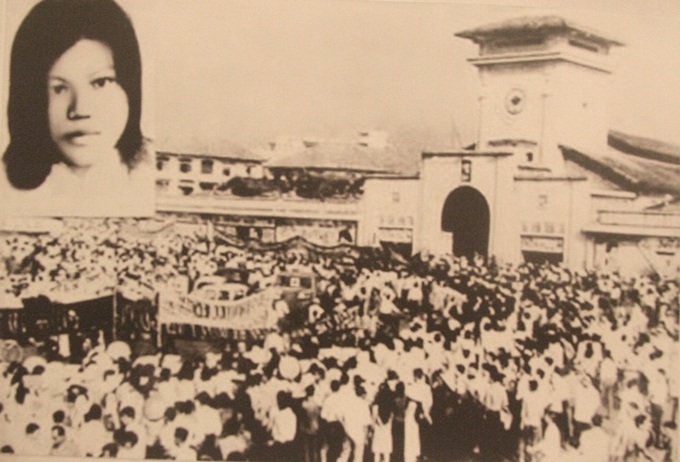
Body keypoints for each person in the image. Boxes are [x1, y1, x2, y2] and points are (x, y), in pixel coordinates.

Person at [0, 0, 154, 217]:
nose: (80, 110)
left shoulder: (147, 179)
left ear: (130, 88)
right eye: (59, 88)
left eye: (100, 82)